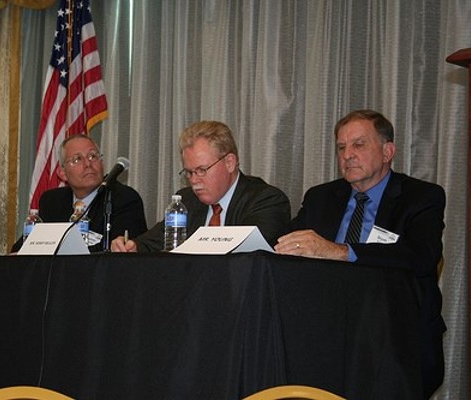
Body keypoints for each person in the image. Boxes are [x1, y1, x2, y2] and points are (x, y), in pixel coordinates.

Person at [274, 109, 445, 398]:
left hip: (394, 333)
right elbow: (283, 244)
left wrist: (341, 251)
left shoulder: (421, 197)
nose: (347, 155)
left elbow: (420, 256)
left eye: (359, 144)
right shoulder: (321, 197)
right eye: (341, 147)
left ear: (388, 151)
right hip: (323, 328)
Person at [111, 120, 291, 252]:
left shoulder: (266, 200)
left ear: (229, 162)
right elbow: (156, 240)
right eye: (189, 172)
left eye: (202, 170)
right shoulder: (186, 200)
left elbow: (243, 250)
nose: (194, 180)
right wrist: (133, 246)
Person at [12, 134, 148, 253]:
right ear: (62, 173)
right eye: (77, 159)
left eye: (92, 156)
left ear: (102, 163)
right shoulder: (52, 201)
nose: (88, 164)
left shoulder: (124, 199)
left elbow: (121, 251)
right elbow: (25, 245)